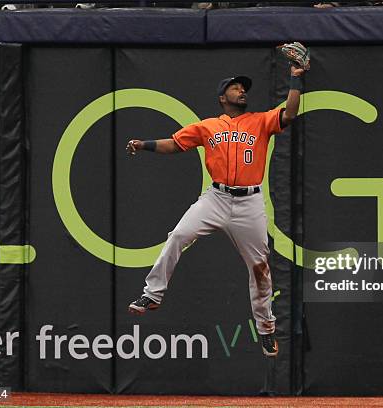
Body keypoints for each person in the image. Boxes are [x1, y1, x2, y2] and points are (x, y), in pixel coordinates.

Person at [126, 64, 305, 358]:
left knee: (260, 267)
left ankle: (265, 328)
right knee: (178, 235)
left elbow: (290, 112)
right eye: (236, 87)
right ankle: (152, 295)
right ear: (223, 97)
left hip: (249, 203)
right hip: (217, 198)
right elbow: (175, 144)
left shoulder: (260, 121)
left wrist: (296, 78)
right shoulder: (208, 126)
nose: (242, 91)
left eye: (243, 87)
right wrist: (143, 144)